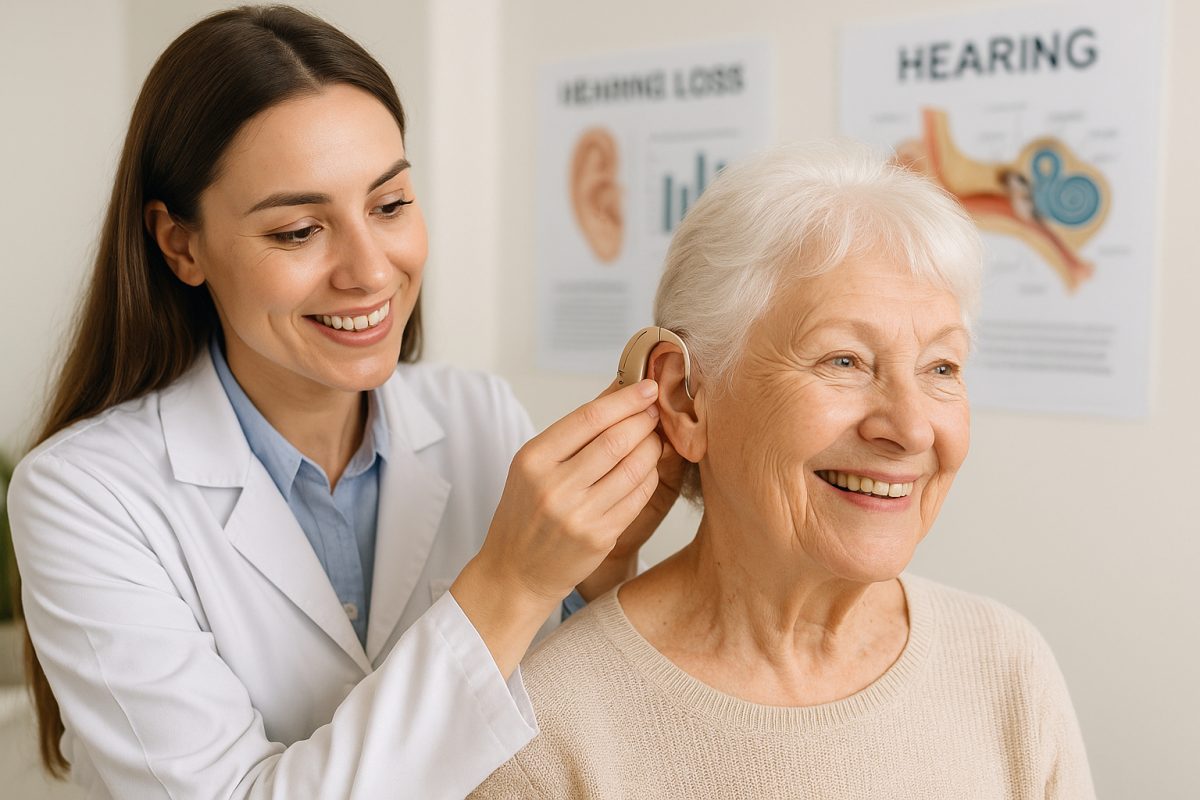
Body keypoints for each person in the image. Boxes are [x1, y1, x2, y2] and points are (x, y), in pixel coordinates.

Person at [7, 6, 679, 799]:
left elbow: (559, 738)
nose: (369, 271)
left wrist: (598, 575)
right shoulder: (83, 494)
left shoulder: (478, 416)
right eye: (299, 231)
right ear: (181, 244)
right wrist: (510, 584)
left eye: (389, 206)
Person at [470, 141, 1096, 798]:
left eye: (941, 367)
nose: (912, 429)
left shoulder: (1008, 668)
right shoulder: (549, 730)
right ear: (686, 399)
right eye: (844, 361)